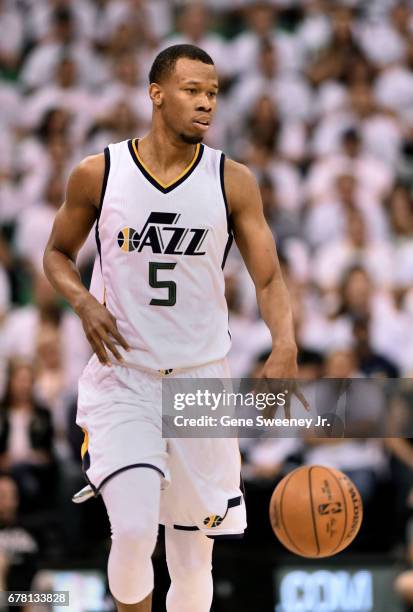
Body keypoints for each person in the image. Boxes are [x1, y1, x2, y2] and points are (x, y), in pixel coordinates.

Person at [43, 44, 297, 612]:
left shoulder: (233, 181)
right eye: (192, 90)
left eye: (212, 93)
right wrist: (83, 302)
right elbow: (57, 254)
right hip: (125, 376)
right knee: (134, 531)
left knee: (192, 557)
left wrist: (285, 344)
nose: (206, 102)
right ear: (156, 94)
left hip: (201, 381)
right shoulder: (99, 173)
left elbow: (271, 278)